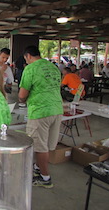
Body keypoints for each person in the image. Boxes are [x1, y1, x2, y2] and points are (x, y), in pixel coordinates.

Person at [18, 46, 63, 188]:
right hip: (57, 109)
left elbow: (22, 95)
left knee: (39, 146)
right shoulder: (53, 67)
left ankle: (45, 177)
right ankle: (38, 167)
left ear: (28, 56)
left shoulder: (30, 69)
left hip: (40, 111)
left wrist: (22, 100)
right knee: (47, 144)